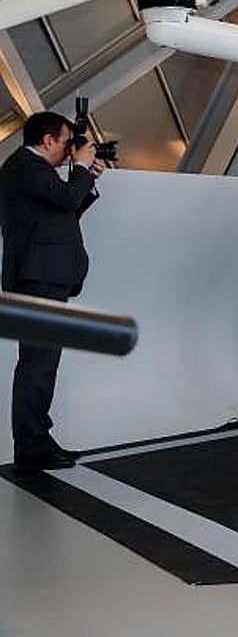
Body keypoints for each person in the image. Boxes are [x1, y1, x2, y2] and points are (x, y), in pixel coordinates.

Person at [0, 112, 102, 471]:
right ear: (47, 141)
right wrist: (81, 169)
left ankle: (37, 443)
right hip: (38, 279)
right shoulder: (26, 167)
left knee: (41, 364)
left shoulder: (31, 171)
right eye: (66, 142)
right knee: (38, 365)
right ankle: (32, 449)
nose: (70, 150)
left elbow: (63, 210)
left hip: (42, 277)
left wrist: (86, 178)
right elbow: (65, 200)